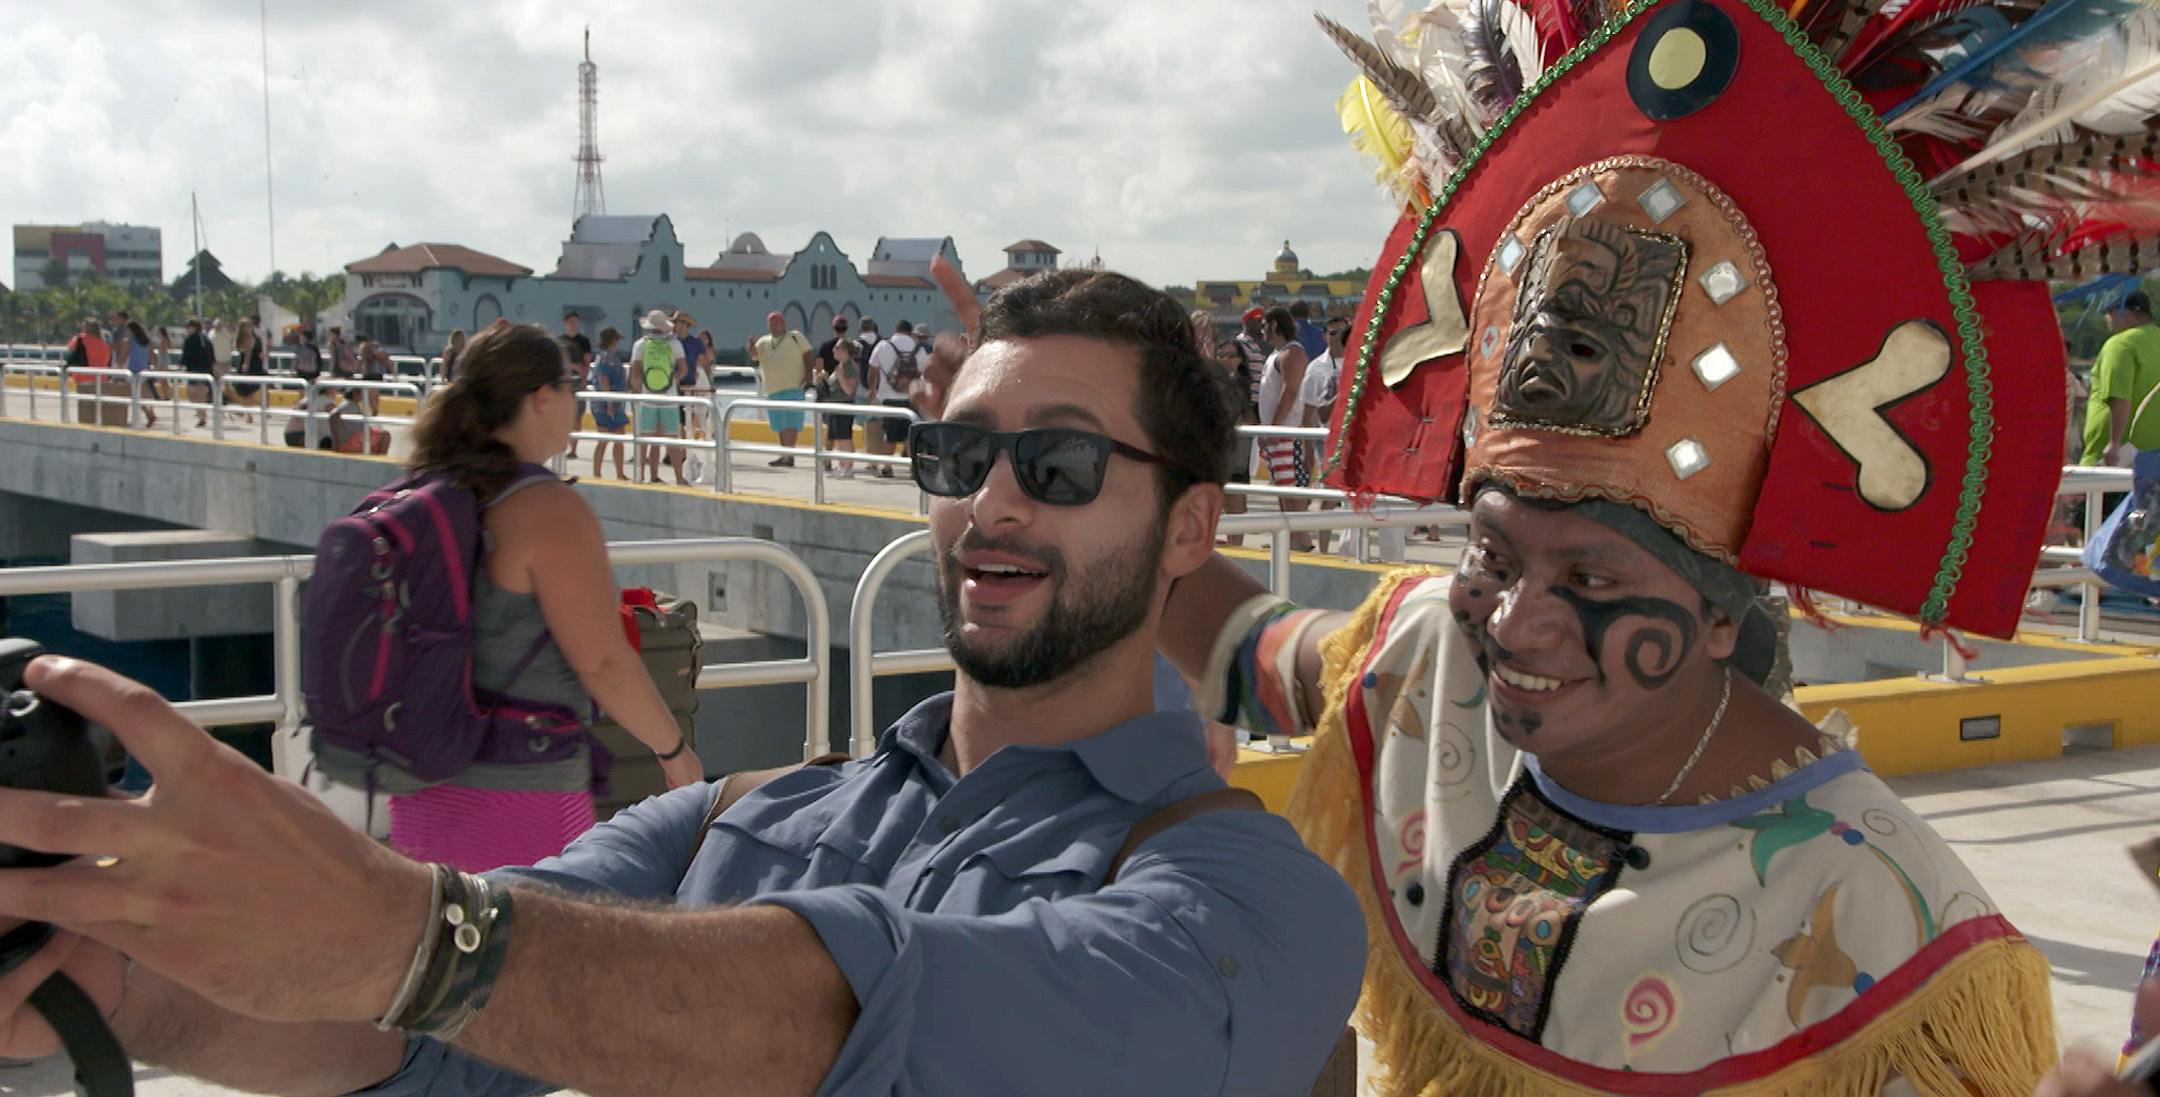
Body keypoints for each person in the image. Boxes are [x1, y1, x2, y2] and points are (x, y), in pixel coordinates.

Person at [0, 271, 1365, 1097]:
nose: (992, 505)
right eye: (957, 461)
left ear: (1193, 528)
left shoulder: (1258, 903)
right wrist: (101, 982)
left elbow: (880, 1011)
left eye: (1058, 467)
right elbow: (423, 1042)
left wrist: (408, 933)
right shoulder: (740, 822)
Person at [1145, 2, 2123, 1090]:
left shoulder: (1883, 916)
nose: (1517, 620)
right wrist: (1093, 482)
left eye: (1591, 576)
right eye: (1495, 557)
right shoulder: (1435, 662)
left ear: (1718, 612)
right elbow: (1244, 641)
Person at [2081, 291, 2160, 468]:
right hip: (2154, 454)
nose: (2106, 318)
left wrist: (2114, 442)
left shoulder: (2120, 344)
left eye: (2108, 312)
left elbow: (2120, 396)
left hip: (2119, 455)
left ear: (2124, 313)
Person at [1256, 306, 1312, 550]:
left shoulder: (1293, 353)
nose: (1262, 330)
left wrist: (1274, 428)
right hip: (1276, 432)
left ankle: (1300, 537)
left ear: (1274, 325)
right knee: (1281, 485)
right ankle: (1287, 536)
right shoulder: (1277, 353)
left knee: (1291, 486)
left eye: (1264, 324)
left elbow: (1289, 393)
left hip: (1287, 431)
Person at [628, 308, 690, 485]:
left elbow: (634, 372)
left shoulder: (640, 344)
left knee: (647, 439)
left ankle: (645, 476)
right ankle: (679, 477)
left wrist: (638, 390)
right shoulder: (674, 344)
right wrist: (673, 382)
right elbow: (684, 368)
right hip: (669, 397)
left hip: (647, 398)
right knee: (672, 439)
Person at [748, 310, 813, 468]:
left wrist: (809, 375)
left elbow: (808, 354)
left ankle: (789, 455)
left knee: (791, 423)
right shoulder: (764, 341)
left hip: (793, 386)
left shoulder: (795, 336)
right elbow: (754, 356)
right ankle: (784, 454)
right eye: (771, 323)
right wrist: (750, 346)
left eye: (776, 322)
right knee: (780, 424)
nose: (773, 325)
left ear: (783, 323)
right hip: (773, 389)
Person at [866, 318, 930, 477]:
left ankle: (887, 467)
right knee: (911, 434)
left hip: (889, 397)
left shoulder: (883, 345)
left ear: (895, 330)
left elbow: (872, 371)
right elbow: (925, 373)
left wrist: (873, 391)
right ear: (910, 332)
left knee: (890, 435)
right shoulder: (918, 348)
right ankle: (913, 468)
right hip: (911, 398)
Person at [818, 333, 866, 475]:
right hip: (835, 404)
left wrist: (840, 376)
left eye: (836, 348)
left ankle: (848, 466)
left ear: (844, 350)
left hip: (844, 404)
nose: (833, 351)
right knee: (839, 438)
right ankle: (842, 465)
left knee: (845, 437)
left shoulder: (849, 366)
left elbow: (849, 389)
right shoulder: (841, 365)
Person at [588, 325, 631, 479]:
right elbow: (604, 380)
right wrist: (610, 404)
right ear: (613, 341)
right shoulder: (607, 358)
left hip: (613, 403)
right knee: (605, 439)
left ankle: (617, 473)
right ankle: (599, 473)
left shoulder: (605, 357)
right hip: (608, 404)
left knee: (617, 438)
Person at [118, 319, 158, 429]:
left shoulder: (128, 341)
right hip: (144, 370)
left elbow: (123, 356)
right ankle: (149, 413)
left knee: (134, 395)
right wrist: (155, 368)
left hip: (132, 371)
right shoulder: (146, 341)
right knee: (144, 394)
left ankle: (148, 415)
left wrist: (119, 368)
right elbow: (152, 356)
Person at [180, 317, 216, 426]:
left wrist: (181, 365)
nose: (186, 329)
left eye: (188, 327)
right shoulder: (205, 338)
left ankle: (202, 416)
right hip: (204, 370)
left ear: (194, 327)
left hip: (196, 370)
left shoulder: (191, 340)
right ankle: (202, 414)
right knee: (199, 393)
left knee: (193, 393)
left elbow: (186, 356)